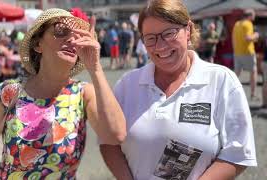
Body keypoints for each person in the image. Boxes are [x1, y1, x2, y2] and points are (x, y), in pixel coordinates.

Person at [0, 8, 126, 180]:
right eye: (61, 31)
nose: (72, 39)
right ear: (38, 44)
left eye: (78, 36)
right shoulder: (10, 92)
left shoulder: (83, 93)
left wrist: (95, 68)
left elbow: (115, 135)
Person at [100, 0, 257, 180]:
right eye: (150, 38)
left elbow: (237, 153)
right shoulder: (127, 85)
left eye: (169, 33)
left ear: (188, 30)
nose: (160, 46)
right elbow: (108, 142)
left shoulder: (221, 81)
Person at [232, 9, 259, 100]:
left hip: (237, 52)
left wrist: (235, 49)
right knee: (253, 72)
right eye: (254, 15)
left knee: (236, 74)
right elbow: (248, 38)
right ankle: (253, 94)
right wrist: (256, 35)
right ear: (250, 16)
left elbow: (233, 38)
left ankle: (229, 91)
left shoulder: (237, 24)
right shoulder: (248, 24)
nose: (254, 17)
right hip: (248, 52)